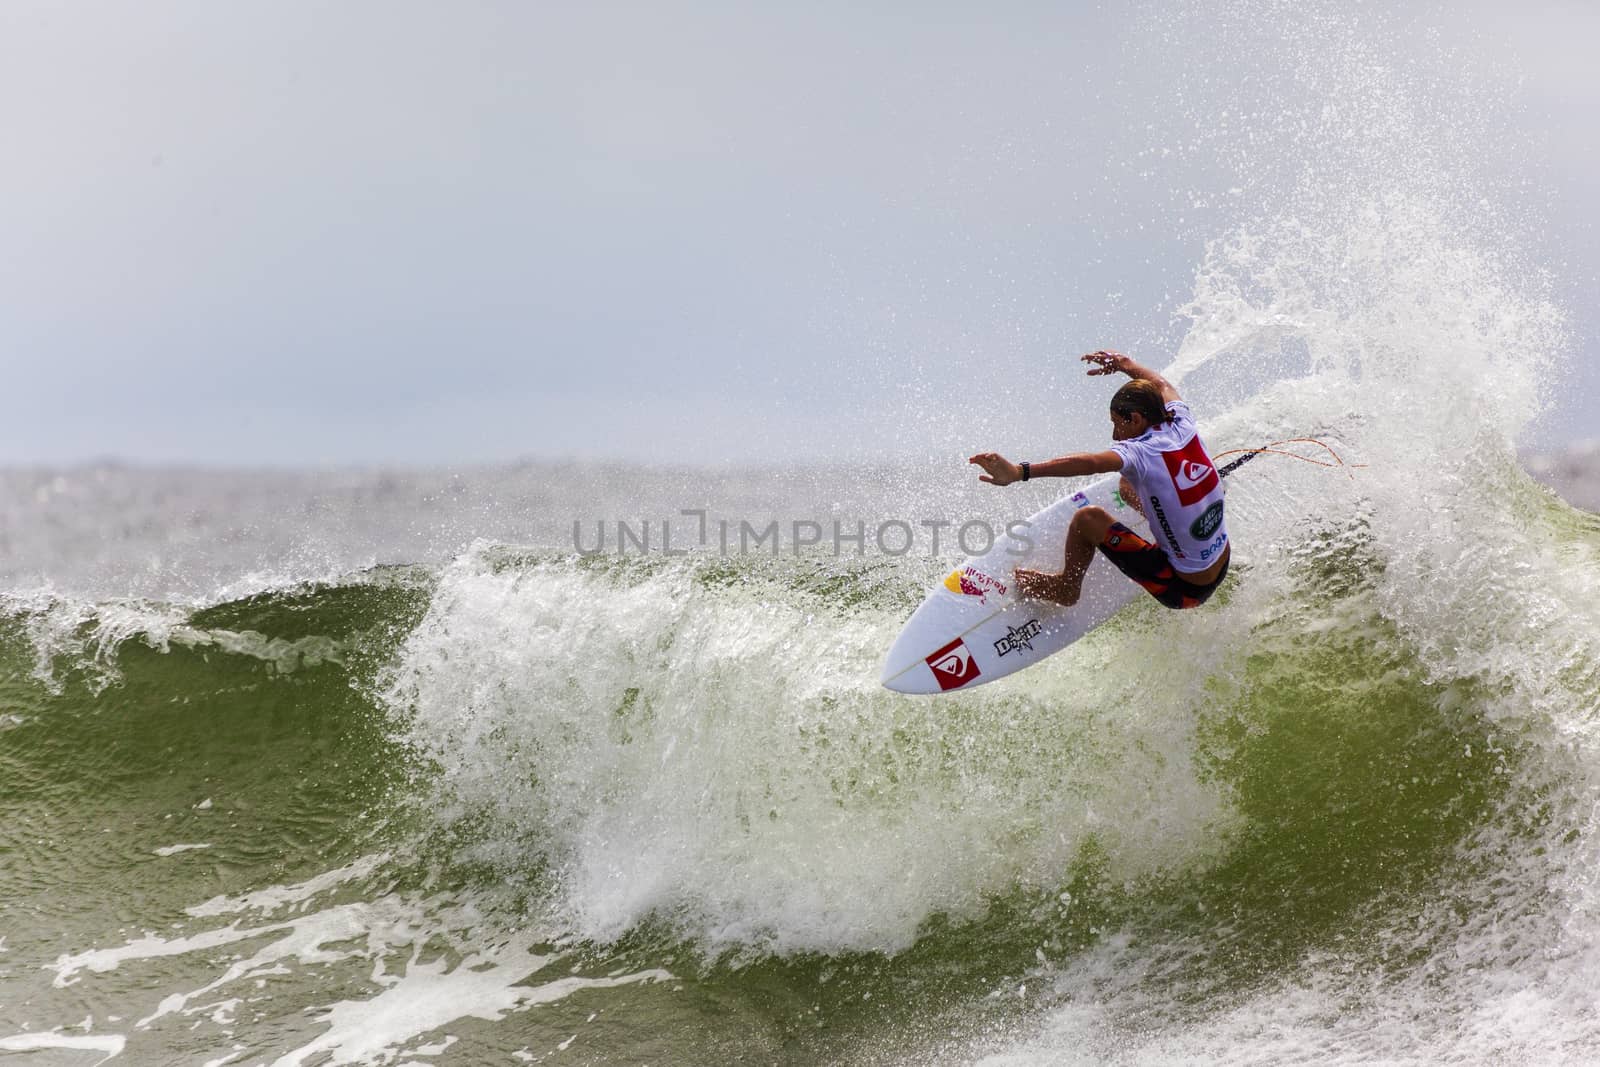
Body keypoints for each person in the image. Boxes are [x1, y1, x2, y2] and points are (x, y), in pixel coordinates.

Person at [968, 350, 1230, 609]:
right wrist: (1122, 363)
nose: (1116, 435)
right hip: (1222, 561)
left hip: (1183, 588)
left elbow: (1089, 463)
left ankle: (1066, 588)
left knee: (1087, 519)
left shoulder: (1139, 452)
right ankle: (1171, 518)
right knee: (1127, 486)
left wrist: (1019, 471)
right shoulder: (1181, 419)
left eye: (1118, 423)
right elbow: (1160, 384)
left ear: (1136, 419)